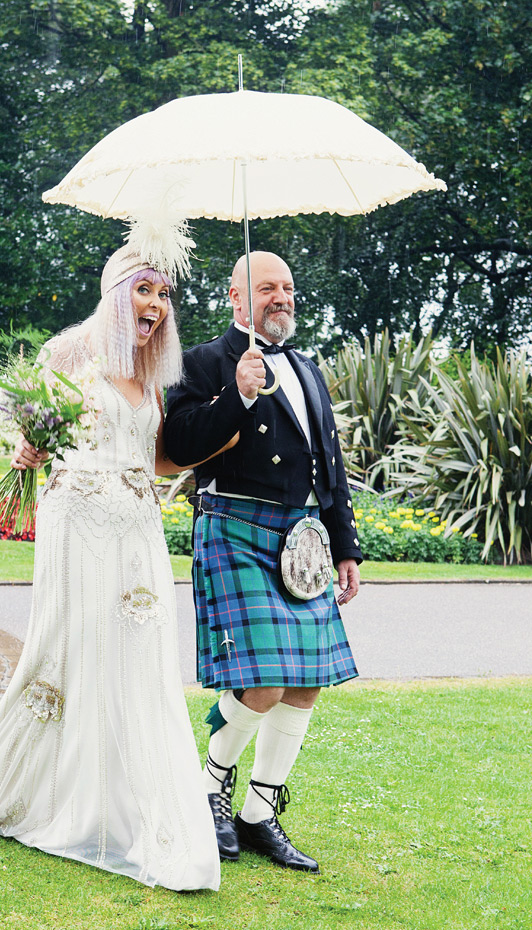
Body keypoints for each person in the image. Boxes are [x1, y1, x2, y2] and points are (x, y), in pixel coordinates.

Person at [0, 220, 221, 892]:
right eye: (144, 289)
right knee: (69, 651)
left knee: (139, 664)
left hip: (138, 534)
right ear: (117, 291)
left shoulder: (153, 377)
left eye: (164, 294)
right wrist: (24, 451)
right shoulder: (70, 354)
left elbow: (154, 458)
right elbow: (34, 431)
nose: (155, 304)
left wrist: (227, 422)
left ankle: (129, 806)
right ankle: (33, 795)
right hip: (78, 524)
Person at [163, 251, 362, 874]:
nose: (282, 297)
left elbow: (327, 463)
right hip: (235, 527)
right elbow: (180, 446)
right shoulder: (201, 363)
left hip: (302, 538)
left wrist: (346, 546)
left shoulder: (305, 366)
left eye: (288, 288)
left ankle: (258, 813)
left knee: (305, 684)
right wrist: (238, 394)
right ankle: (210, 789)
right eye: (268, 288)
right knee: (266, 680)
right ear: (236, 297)